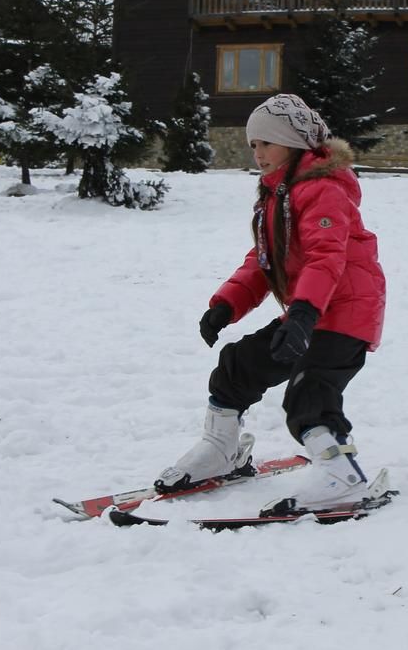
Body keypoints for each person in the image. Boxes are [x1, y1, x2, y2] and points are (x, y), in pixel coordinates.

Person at [157, 93, 387, 513]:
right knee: (237, 366)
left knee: (308, 392)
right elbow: (264, 261)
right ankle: (221, 449)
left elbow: (325, 257)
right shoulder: (276, 196)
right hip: (309, 311)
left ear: (294, 143)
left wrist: (301, 315)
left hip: (345, 313)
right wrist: (226, 304)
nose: (258, 153)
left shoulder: (323, 190)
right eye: (254, 145)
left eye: (267, 142)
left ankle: (343, 474)